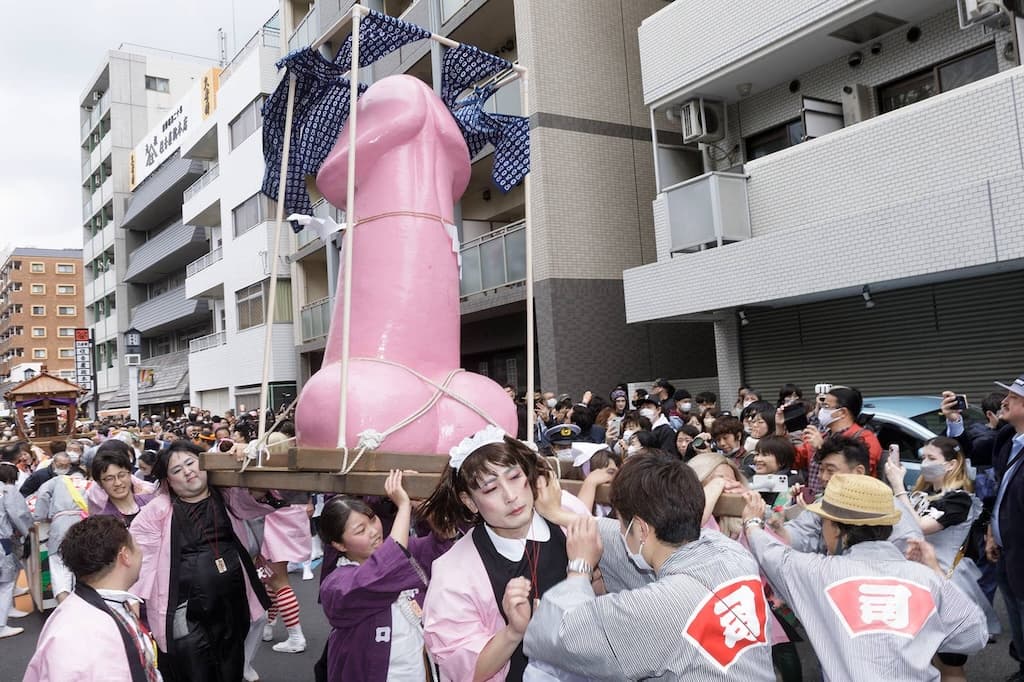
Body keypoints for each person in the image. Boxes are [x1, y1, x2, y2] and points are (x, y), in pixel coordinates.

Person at [523, 453, 775, 680]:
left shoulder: (653, 611)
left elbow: (554, 636)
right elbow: (613, 535)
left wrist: (579, 569)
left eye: (624, 525)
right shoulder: (733, 554)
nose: (621, 532)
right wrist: (562, 516)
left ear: (641, 529)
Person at [741, 474, 988, 682]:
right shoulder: (925, 578)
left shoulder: (817, 573)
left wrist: (752, 521)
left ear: (837, 529)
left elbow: (772, 554)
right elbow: (973, 635)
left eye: (823, 523)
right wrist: (934, 569)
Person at [419, 425, 589, 681]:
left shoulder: (567, 513)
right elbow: (466, 670)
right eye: (490, 489)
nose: (511, 496)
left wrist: (591, 571)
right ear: (469, 501)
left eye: (514, 477)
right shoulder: (455, 572)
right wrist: (512, 632)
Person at [131, 441, 278, 682]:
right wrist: (132, 605)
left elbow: (258, 497)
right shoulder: (156, 512)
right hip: (185, 612)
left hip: (233, 602)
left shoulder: (228, 496)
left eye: (191, 463)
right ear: (168, 481)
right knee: (194, 671)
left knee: (231, 666)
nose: (187, 471)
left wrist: (248, 459)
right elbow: (140, 559)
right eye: (177, 470)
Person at [319, 470, 455, 681]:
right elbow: (385, 567)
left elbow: (444, 544)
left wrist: (427, 509)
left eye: (372, 520)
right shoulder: (336, 586)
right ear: (339, 544)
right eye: (360, 530)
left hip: (417, 669)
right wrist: (403, 507)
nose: (373, 531)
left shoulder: (406, 551)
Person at [885, 436, 999, 679]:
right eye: (923, 457)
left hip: (945, 582)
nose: (925, 463)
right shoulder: (920, 495)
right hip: (915, 582)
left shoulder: (960, 499)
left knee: (950, 663)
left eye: (931, 458)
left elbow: (917, 527)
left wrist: (898, 486)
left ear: (951, 464)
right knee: (927, 657)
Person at [23, 515, 160, 681]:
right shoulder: (77, 633)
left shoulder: (95, 609)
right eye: (137, 545)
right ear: (125, 556)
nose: (141, 551)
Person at [780, 385, 882, 494]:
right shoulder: (822, 436)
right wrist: (780, 428)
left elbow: (862, 475)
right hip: (815, 503)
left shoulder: (865, 438)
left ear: (842, 412)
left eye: (826, 406)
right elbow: (793, 461)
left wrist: (822, 448)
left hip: (847, 502)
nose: (821, 411)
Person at [32, 460, 91, 603]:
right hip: (85, 527)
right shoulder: (89, 484)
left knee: (60, 570)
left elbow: (43, 494)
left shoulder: (58, 480)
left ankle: (64, 609)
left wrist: (40, 516)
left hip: (60, 526)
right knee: (83, 571)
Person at [260, 498, 313, 653]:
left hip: (276, 516)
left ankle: (296, 637)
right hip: (293, 513)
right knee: (270, 579)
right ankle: (268, 626)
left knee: (278, 582)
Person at [88, 440, 155, 527]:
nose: (118, 483)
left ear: (130, 474)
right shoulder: (102, 524)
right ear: (100, 483)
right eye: (109, 478)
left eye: (122, 475)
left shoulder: (152, 503)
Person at [0, 461, 31, 639]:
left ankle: (8, 608)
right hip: (2, 540)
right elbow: (18, 514)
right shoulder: (7, 491)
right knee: (6, 583)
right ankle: (1, 625)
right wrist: (27, 532)